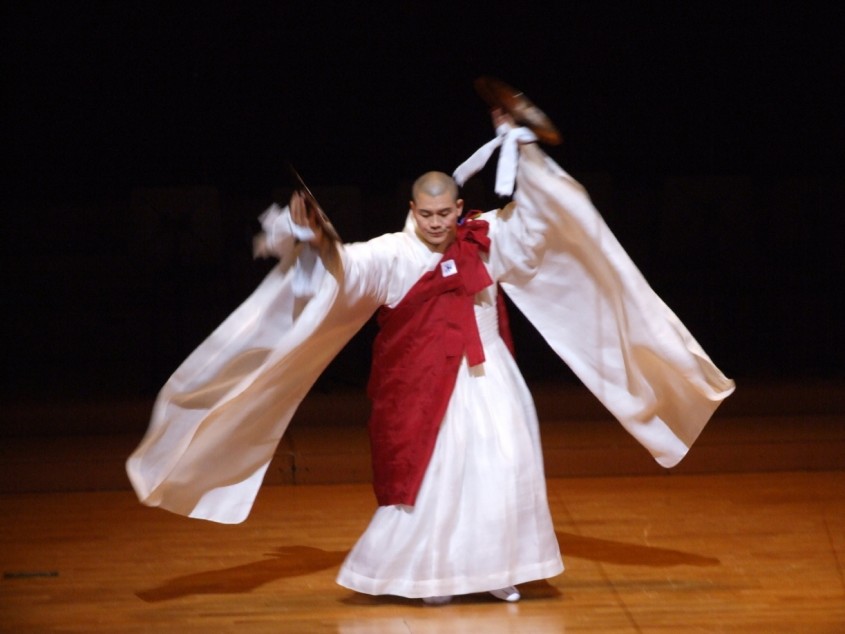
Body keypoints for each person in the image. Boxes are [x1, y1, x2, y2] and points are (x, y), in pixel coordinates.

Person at [127, 110, 735, 605]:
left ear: (458, 207)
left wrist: (521, 148)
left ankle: (502, 569)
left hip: (490, 374)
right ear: (413, 209)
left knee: (505, 466)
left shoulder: (486, 236)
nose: (439, 224)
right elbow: (345, 268)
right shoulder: (393, 253)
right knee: (438, 477)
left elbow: (542, 220)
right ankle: (429, 574)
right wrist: (317, 234)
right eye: (428, 214)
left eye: (447, 213)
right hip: (423, 388)